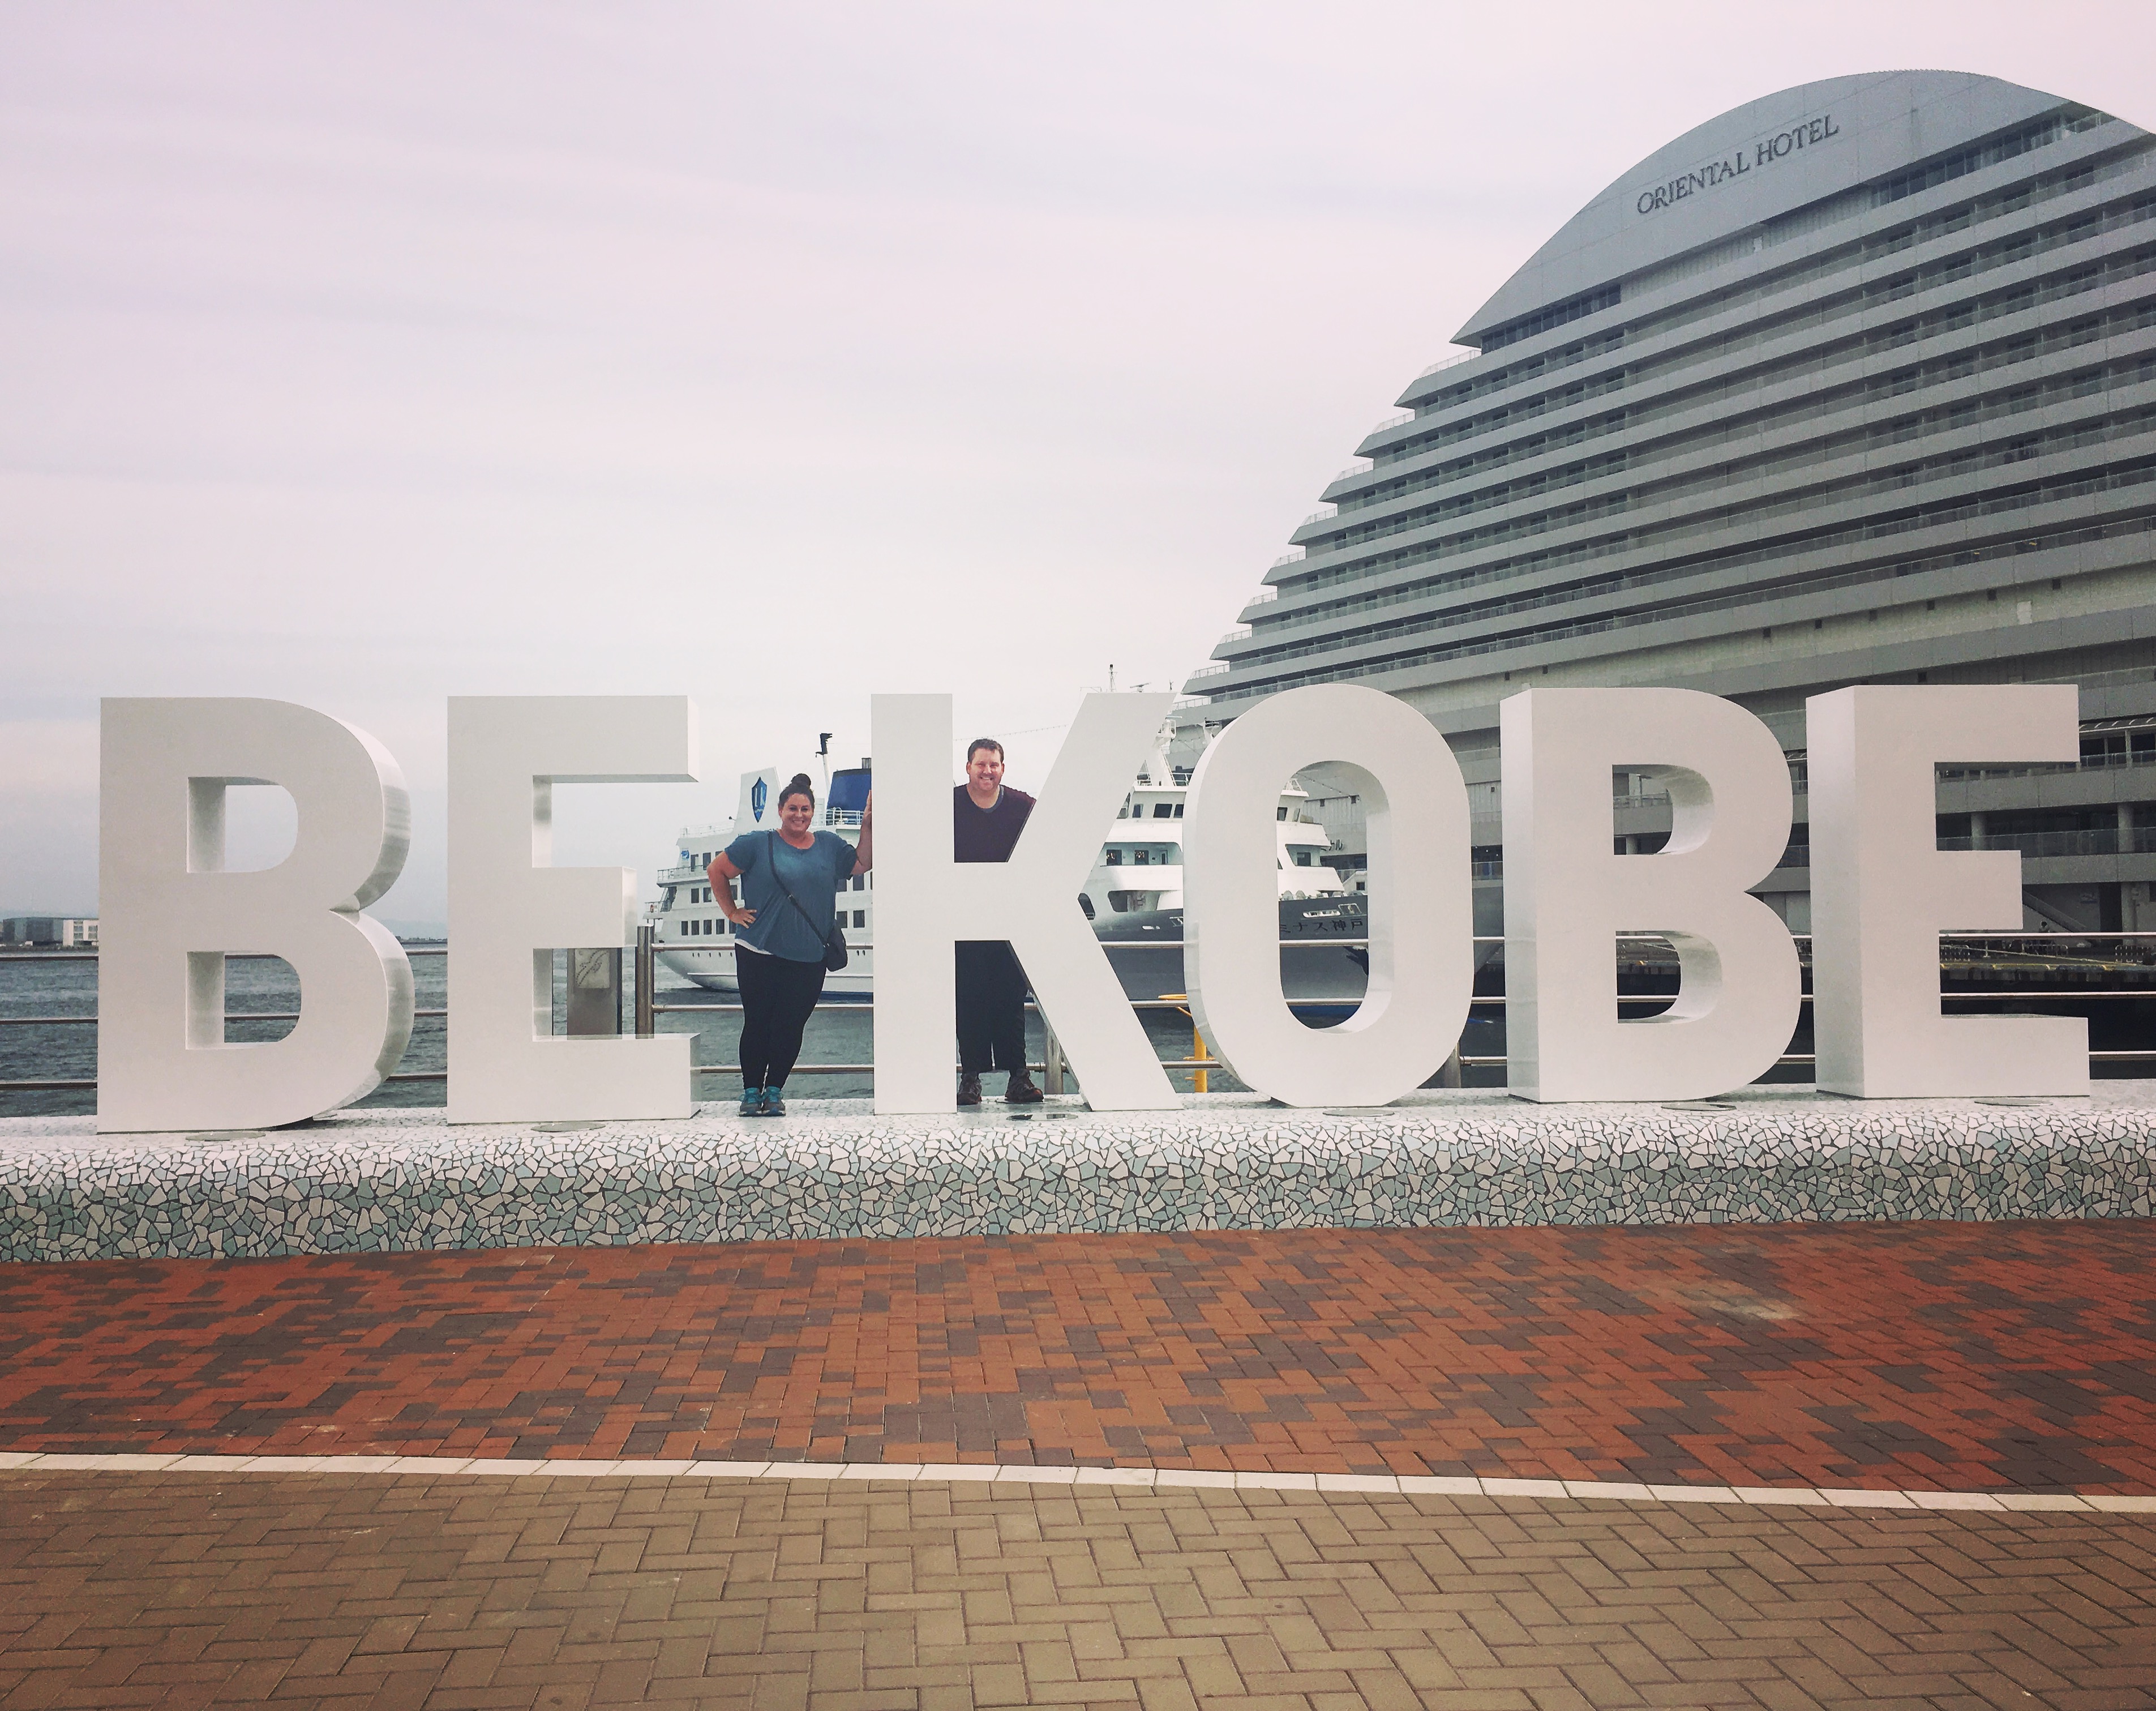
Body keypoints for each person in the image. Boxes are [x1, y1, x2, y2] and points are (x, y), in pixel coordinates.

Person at [709, 773, 871, 1117]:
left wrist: (868, 827)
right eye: (793, 809)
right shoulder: (756, 843)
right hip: (759, 950)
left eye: (805, 809)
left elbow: (862, 864)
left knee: (791, 1025)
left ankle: (774, 1091)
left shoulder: (829, 845)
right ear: (781, 810)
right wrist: (732, 911)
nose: (799, 815)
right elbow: (717, 870)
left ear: (813, 812)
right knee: (757, 1022)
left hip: (810, 955)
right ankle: (750, 1092)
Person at [954, 738, 1043, 1106]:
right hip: (962, 920)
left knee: (1010, 1001)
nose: (987, 771)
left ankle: (1018, 1078)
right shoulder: (947, 806)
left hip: (1010, 920)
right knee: (968, 1000)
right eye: (981, 764)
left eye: (993, 765)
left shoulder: (1024, 806)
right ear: (968, 768)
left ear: (1003, 768)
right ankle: (970, 1079)